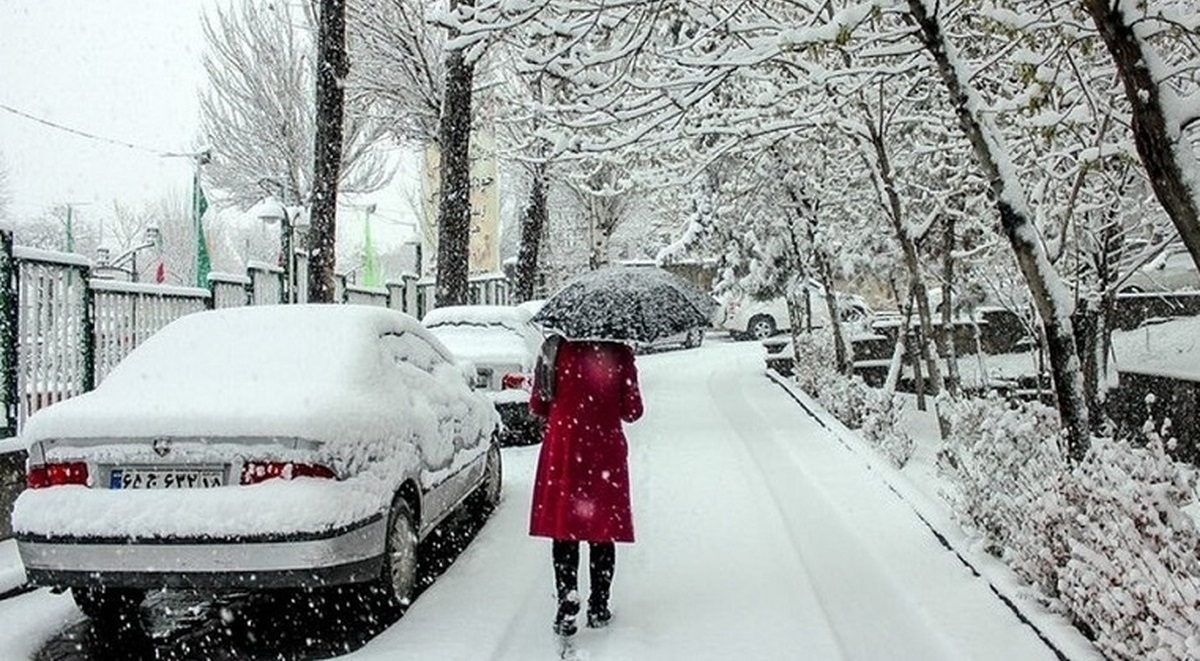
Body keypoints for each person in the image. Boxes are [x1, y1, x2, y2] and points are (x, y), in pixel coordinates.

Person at [529, 334, 644, 636]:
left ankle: (567, 598)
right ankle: (599, 605)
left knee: (565, 527)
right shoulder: (620, 353)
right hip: (604, 450)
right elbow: (633, 411)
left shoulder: (554, 349)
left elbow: (539, 404)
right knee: (602, 528)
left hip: (565, 448)